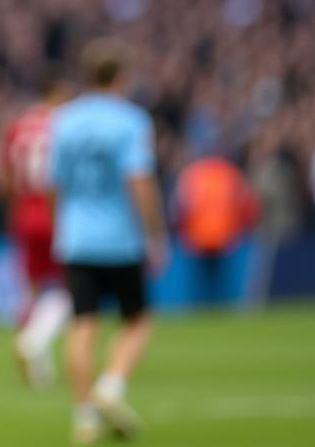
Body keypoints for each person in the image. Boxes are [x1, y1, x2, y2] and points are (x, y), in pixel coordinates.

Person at [49, 39, 168, 444]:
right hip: (119, 237)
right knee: (137, 320)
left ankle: (84, 417)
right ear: (122, 76)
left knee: (83, 324)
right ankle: (111, 386)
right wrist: (155, 234)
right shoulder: (131, 120)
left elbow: (54, 183)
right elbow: (140, 180)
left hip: (76, 237)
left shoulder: (64, 120)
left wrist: (62, 224)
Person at [0, 73, 72, 388]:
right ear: (56, 91)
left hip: (24, 214)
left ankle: (38, 368)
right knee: (69, 288)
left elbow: (6, 179)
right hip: (57, 212)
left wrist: (13, 214)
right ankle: (34, 341)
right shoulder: (65, 125)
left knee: (30, 286)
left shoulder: (17, 127)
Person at [173, 153, 259, 307]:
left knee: (201, 287)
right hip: (225, 238)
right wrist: (243, 230)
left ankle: (202, 311)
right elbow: (247, 206)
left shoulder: (192, 174)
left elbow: (180, 208)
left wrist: (182, 233)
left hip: (198, 238)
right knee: (223, 286)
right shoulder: (231, 173)